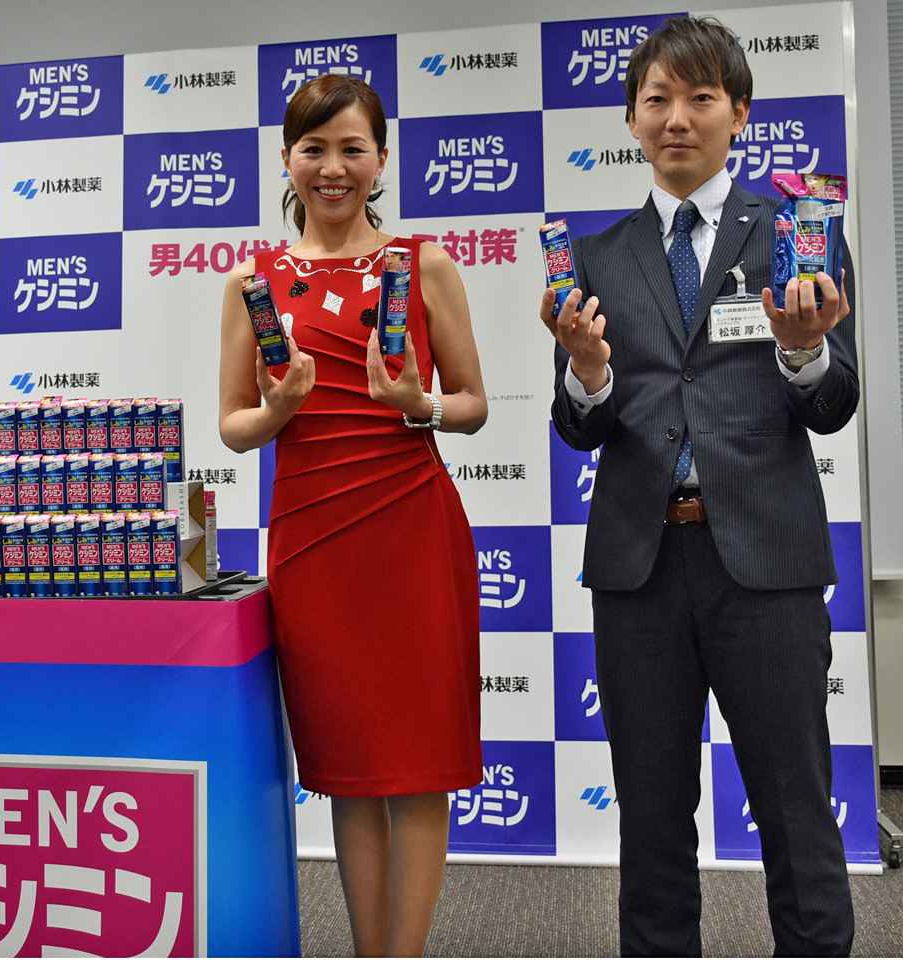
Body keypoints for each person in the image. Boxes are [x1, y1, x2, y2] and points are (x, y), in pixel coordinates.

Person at [539, 17, 857, 956]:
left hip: (767, 563)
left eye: (700, 98)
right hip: (639, 569)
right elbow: (578, 426)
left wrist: (803, 352)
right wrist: (587, 371)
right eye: (657, 100)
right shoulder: (596, 257)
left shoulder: (798, 236)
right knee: (651, 816)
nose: (677, 118)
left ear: (739, 113)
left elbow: (835, 404)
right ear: (632, 119)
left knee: (795, 806)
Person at [219, 75, 487, 956]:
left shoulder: (423, 264)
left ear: (381, 159)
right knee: (348, 769)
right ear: (286, 159)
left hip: (412, 530)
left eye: (352, 149)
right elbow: (233, 426)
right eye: (314, 149)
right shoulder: (252, 281)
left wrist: (417, 403)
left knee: (418, 768)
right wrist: (279, 408)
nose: (332, 168)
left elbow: (473, 403)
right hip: (313, 540)